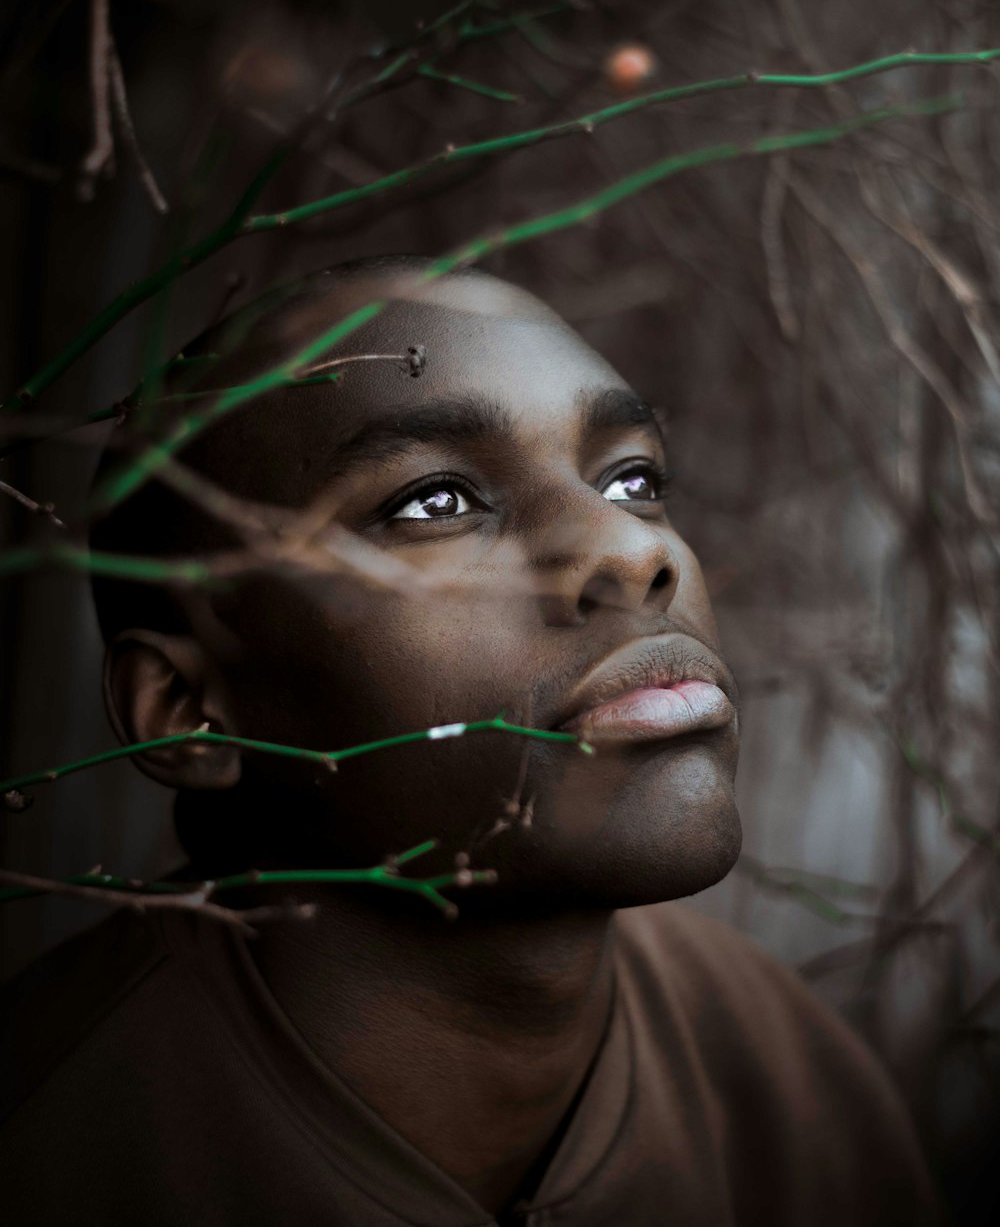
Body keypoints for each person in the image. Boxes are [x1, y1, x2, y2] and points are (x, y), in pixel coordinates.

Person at [0, 257, 942, 1225]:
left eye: (633, 479)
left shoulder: (794, 1091)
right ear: (189, 708)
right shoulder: (47, 1150)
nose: (634, 549)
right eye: (434, 502)